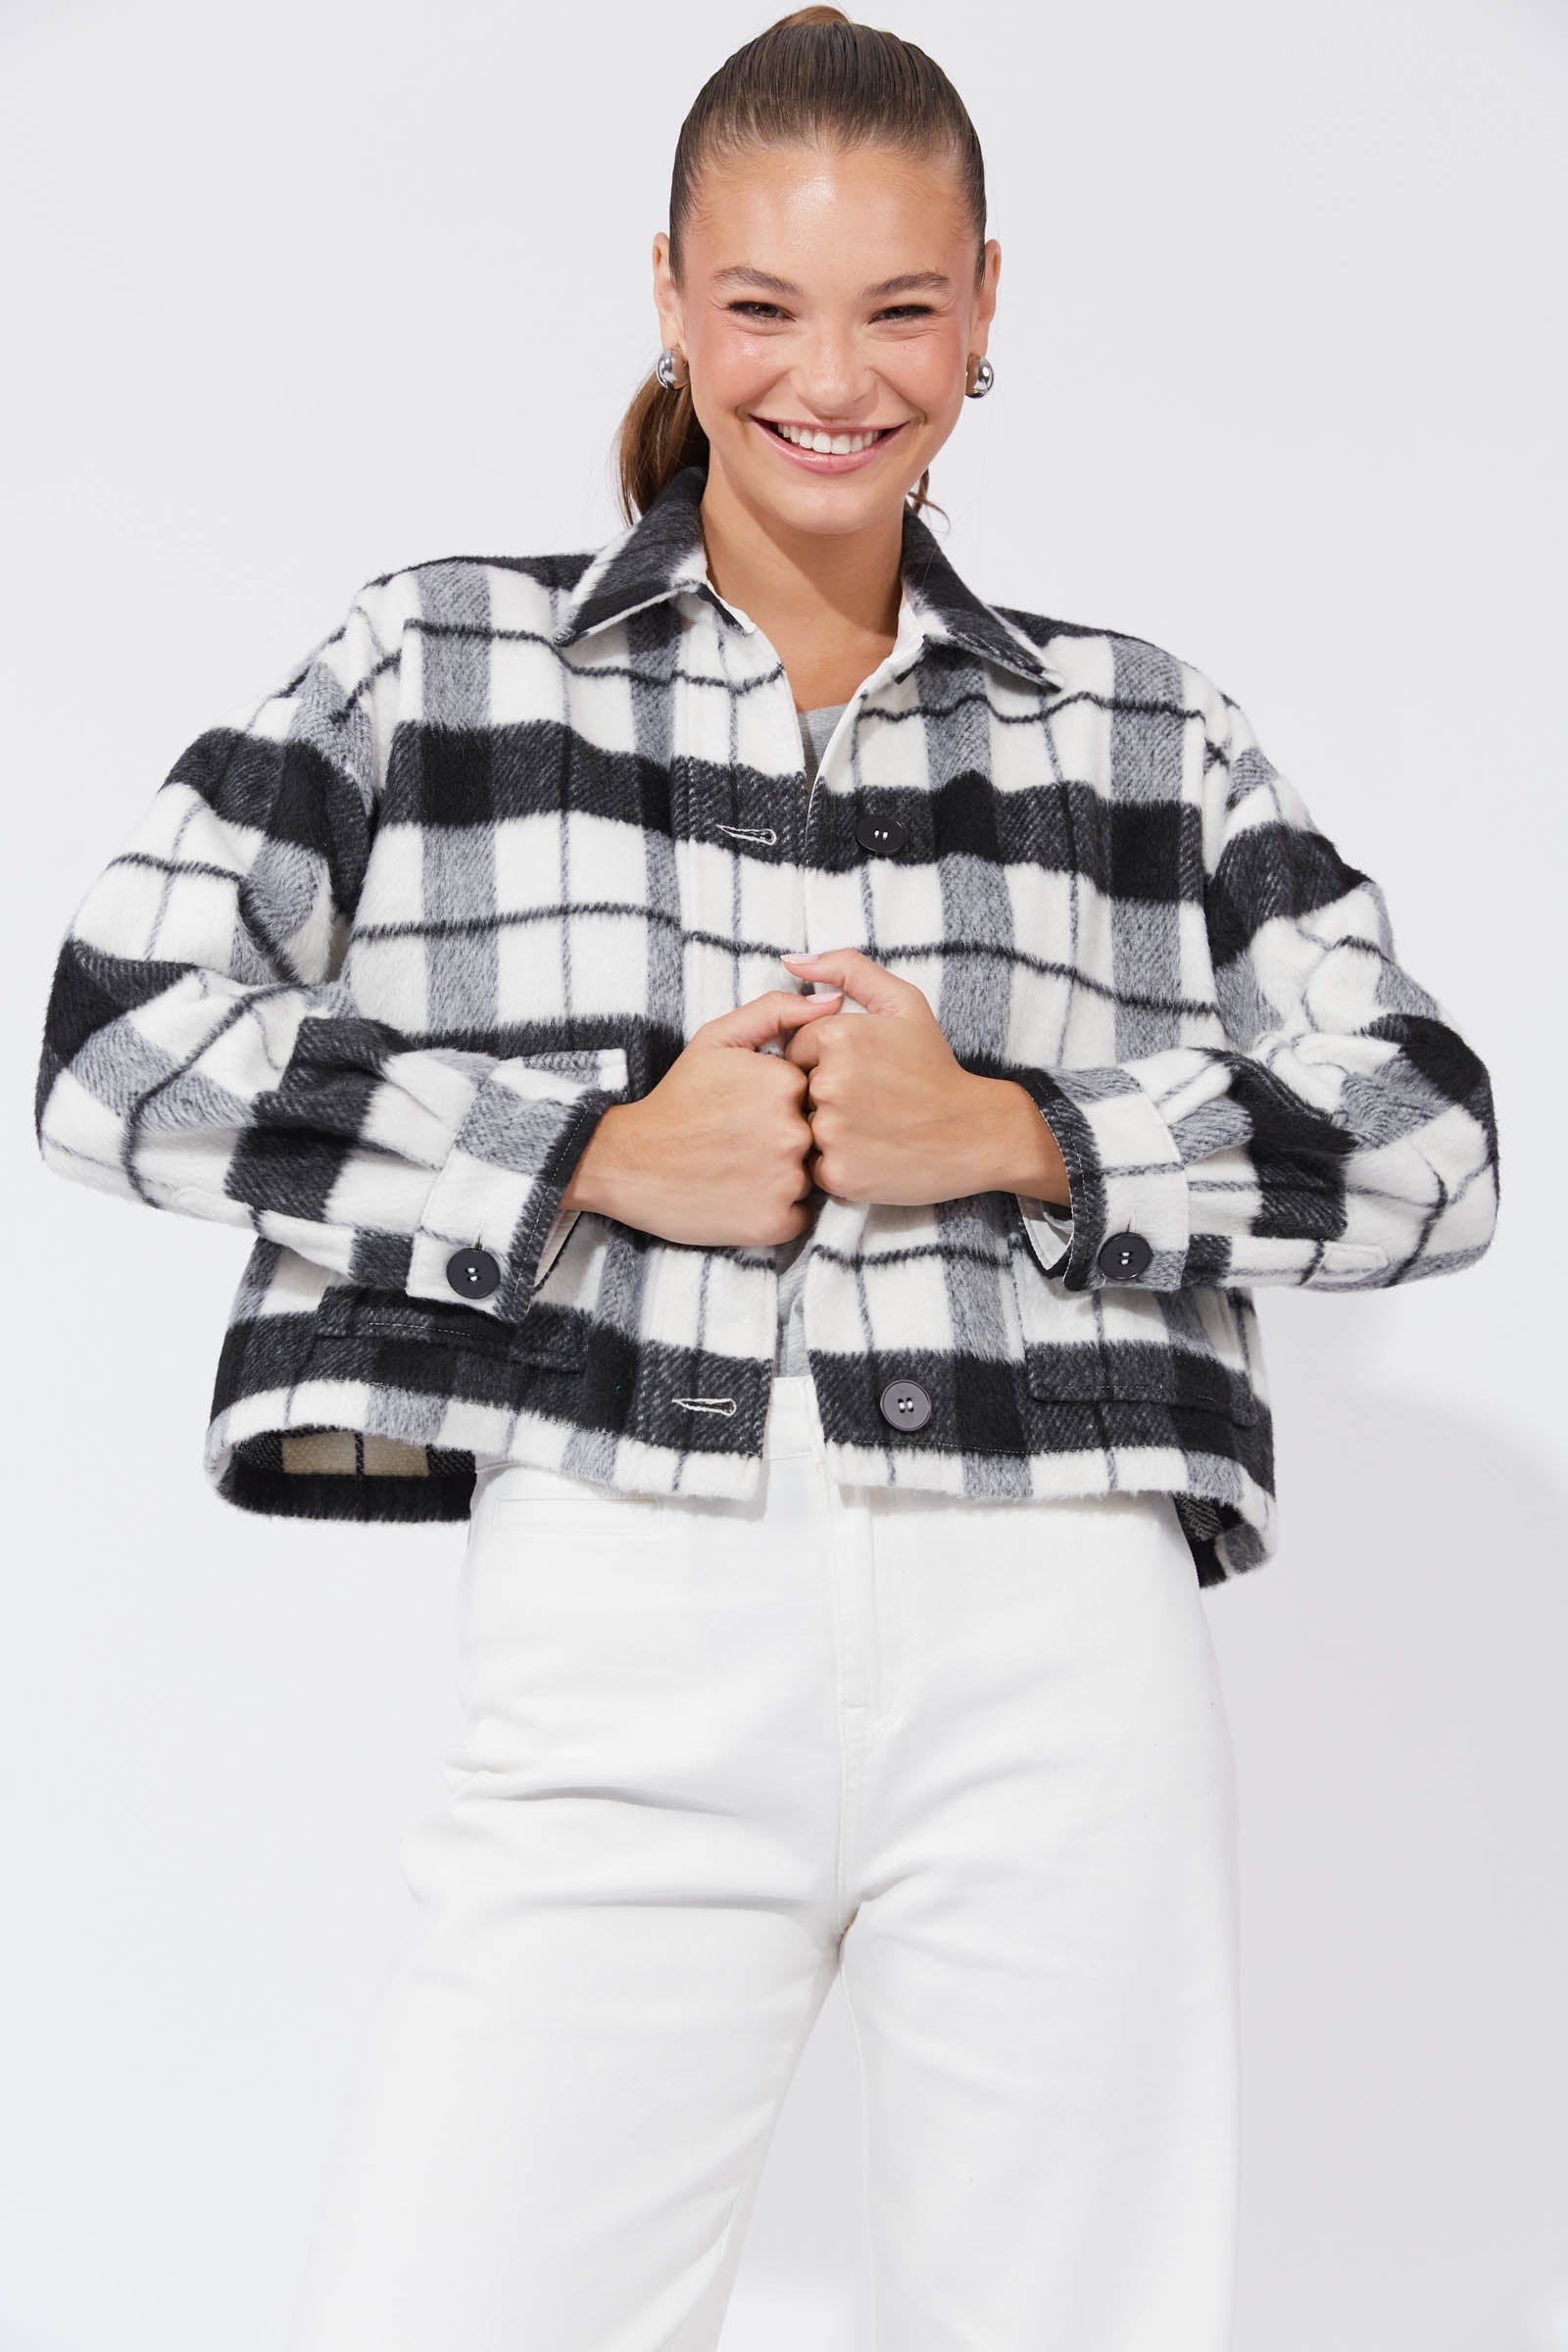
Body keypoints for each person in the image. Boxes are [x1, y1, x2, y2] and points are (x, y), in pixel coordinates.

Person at [32, 10, 1499, 2347]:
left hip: (1056, 1623)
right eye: (762, 306)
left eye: (900, 308)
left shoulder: (1140, 729)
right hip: (626, 1592)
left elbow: (1431, 1137)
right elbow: (116, 1036)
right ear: (666, 293)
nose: (833, 379)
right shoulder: (441, 659)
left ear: (985, 304)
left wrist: (1014, 1134)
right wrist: (589, 1152)